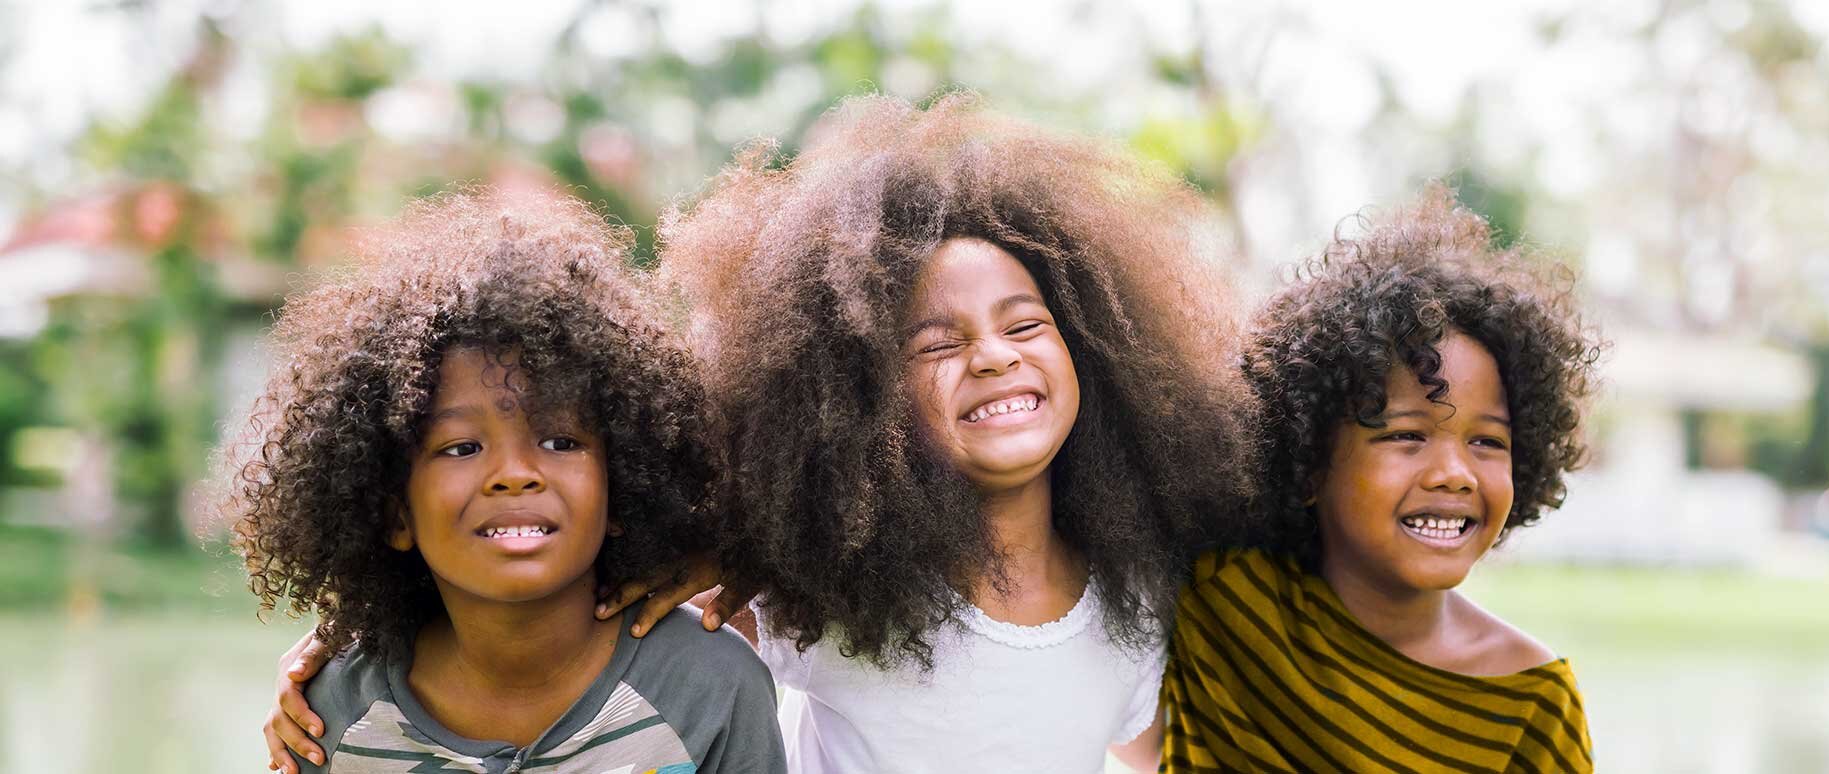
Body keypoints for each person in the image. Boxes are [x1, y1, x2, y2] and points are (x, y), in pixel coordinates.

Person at [265, 95, 1256, 773]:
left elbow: (1160, 746)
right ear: (861, 396)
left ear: (1098, 351)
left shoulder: (1138, 605)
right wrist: (354, 636)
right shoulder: (822, 594)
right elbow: (547, 615)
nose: (992, 357)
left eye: (1024, 325)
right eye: (936, 342)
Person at [226, 190, 784, 773]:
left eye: (560, 442)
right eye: (462, 447)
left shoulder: (712, 689)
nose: (515, 474)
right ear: (395, 514)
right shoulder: (332, 717)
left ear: (620, 485)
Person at [1162, 186, 1598, 772]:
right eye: (1406, 435)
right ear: (1311, 460)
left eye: (1487, 442)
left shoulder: (1529, 700)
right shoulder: (1226, 595)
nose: (1454, 473)